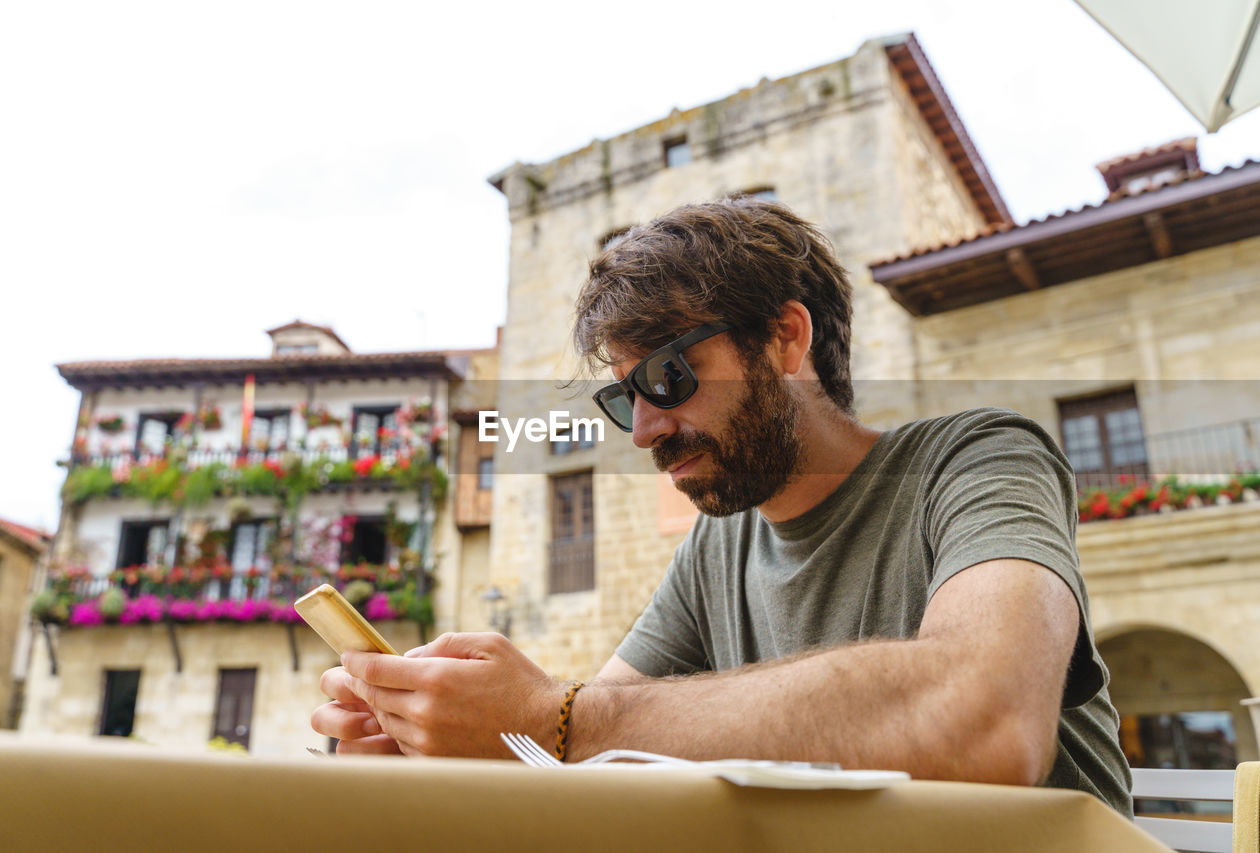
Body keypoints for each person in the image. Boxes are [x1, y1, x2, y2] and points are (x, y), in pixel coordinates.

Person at [311, 198, 1133, 815]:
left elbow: (982, 718)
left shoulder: (979, 458)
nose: (643, 430)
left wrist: (546, 715)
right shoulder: (716, 552)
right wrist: (445, 740)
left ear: (785, 339)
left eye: (667, 377)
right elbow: (587, 767)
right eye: (623, 396)